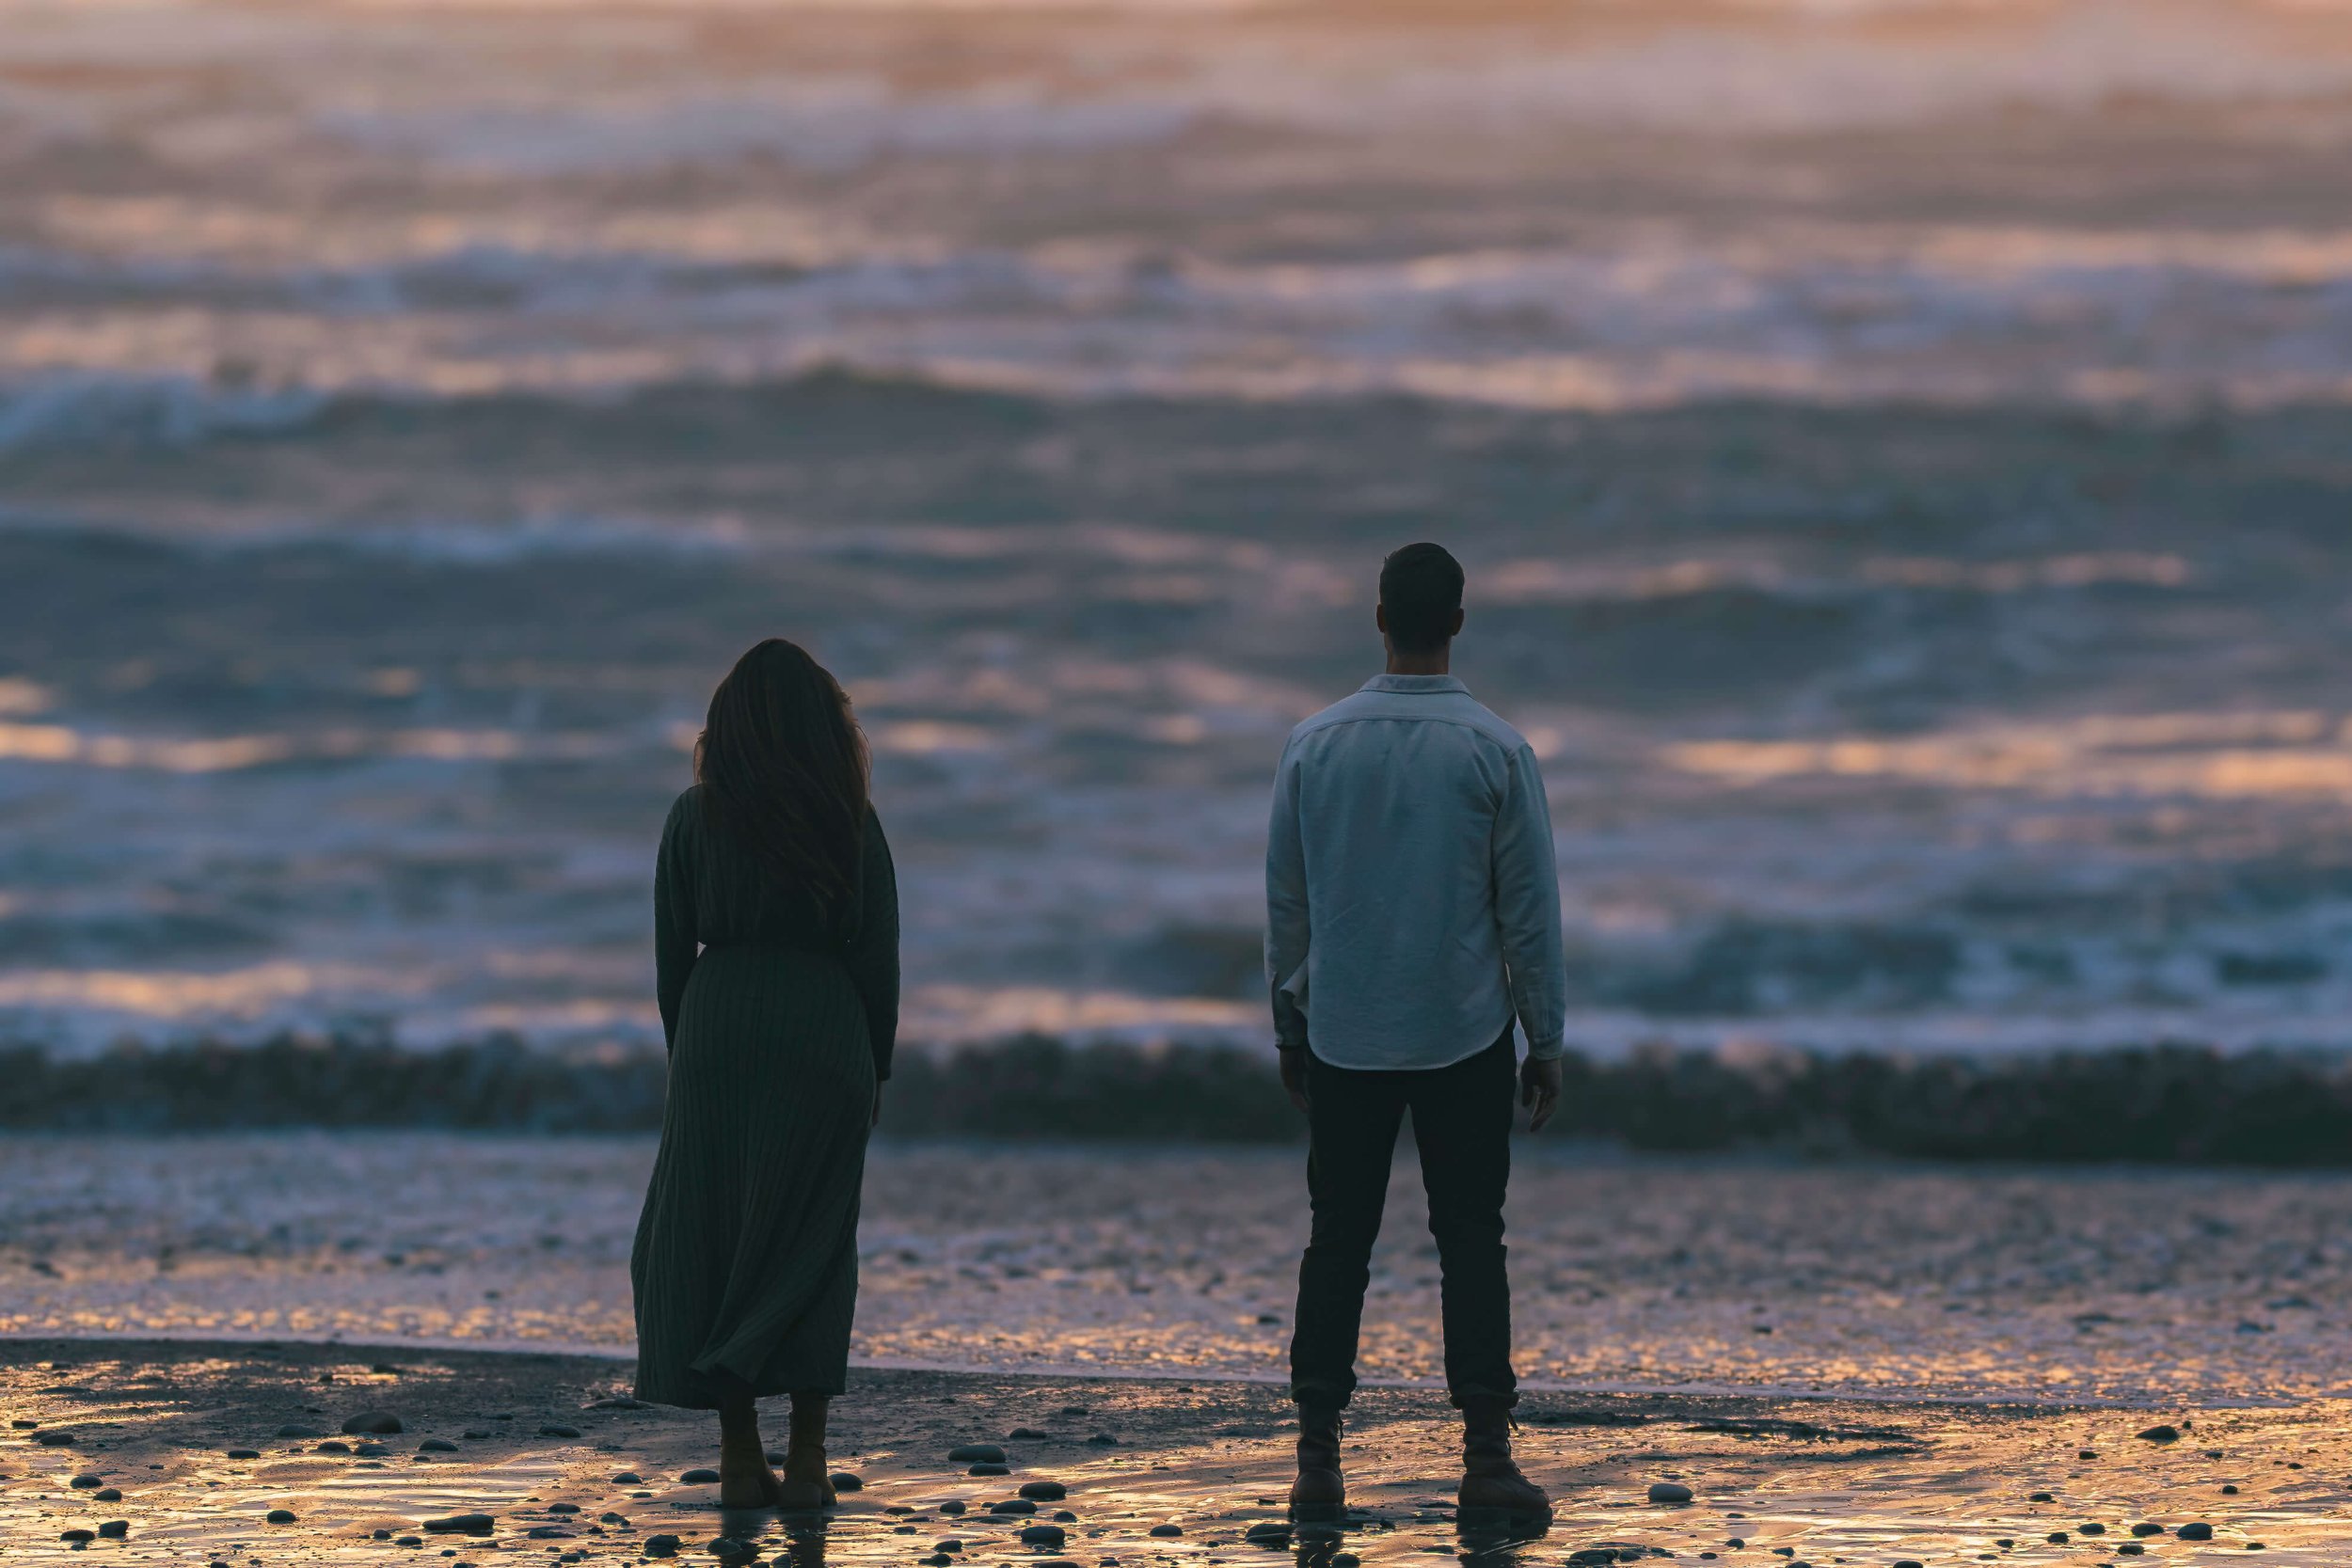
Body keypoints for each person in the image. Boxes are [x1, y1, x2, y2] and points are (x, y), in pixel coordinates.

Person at [1263, 542, 1566, 1522]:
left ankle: (1317, 1459)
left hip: (1347, 1024)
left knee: (1336, 1240)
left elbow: (1287, 905)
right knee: (1470, 1238)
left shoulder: (1314, 743)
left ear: (1379, 617)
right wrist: (1545, 1036)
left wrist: (1288, 1025)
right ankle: (1483, 1457)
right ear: (1459, 622)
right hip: (1464, 1027)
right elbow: (1528, 913)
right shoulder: (1496, 748)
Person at [630, 637, 899, 1510]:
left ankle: (742, 1459)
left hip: (719, 1026)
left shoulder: (691, 816)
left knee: (716, 1236)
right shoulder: (849, 817)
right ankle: (812, 1459)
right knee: (815, 1241)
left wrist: (692, 1059)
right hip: (826, 1028)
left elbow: (672, 957)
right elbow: (879, 956)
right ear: (830, 729)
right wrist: (874, 1067)